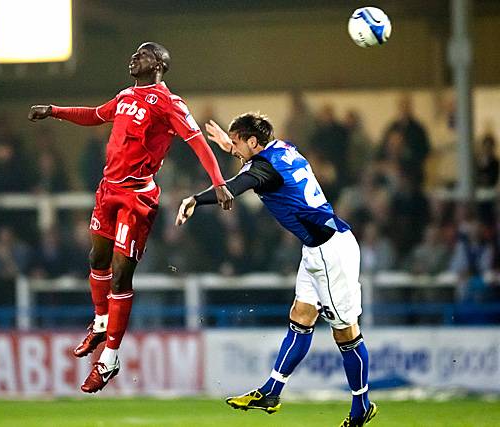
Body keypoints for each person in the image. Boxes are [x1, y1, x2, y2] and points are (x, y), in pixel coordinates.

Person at [28, 41, 233, 393]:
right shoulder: (125, 96)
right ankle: (100, 321)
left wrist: (218, 183)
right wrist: (54, 110)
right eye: (134, 52)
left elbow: (198, 142)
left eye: (142, 54)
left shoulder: (169, 103)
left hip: (137, 195)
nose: (133, 57)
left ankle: (109, 359)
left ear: (159, 65)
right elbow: (94, 114)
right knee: (96, 258)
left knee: (121, 276)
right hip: (108, 189)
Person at [176, 113, 377, 427]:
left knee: (346, 333)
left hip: (331, 252)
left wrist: (194, 200)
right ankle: (271, 391)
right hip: (316, 249)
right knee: (301, 317)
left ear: (253, 142)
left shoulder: (263, 168)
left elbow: (231, 188)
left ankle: (361, 404)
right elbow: (257, 163)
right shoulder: (284, 148)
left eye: (240, 142)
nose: (236, 150)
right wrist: (232, 147)